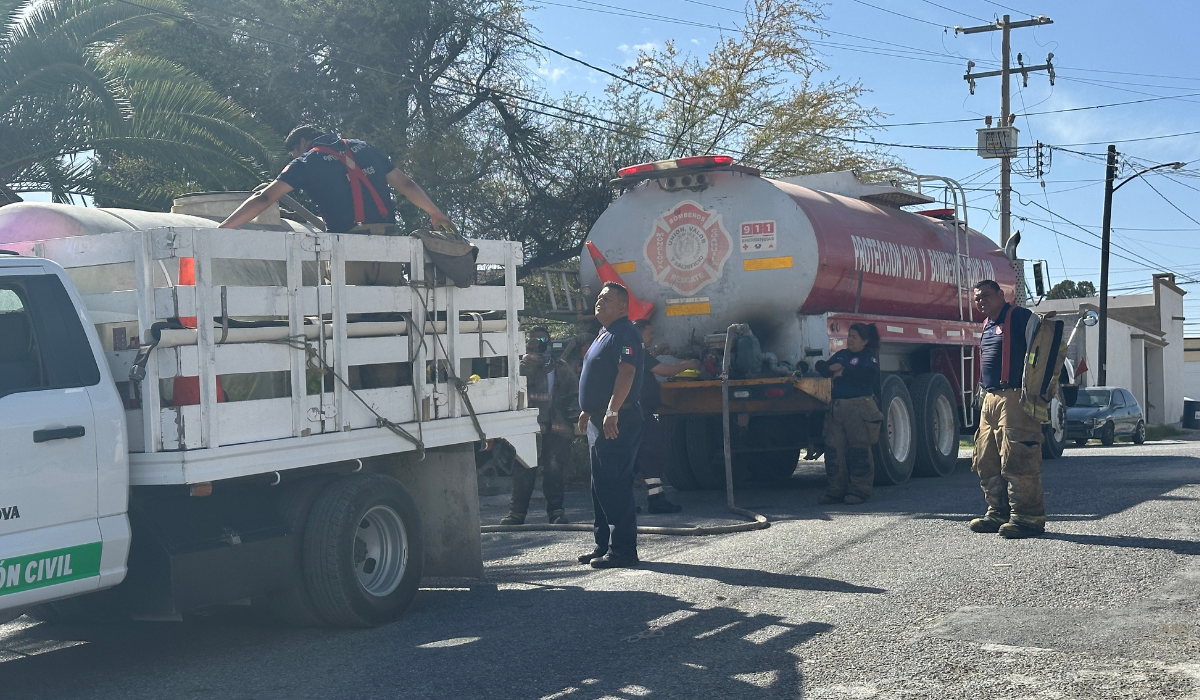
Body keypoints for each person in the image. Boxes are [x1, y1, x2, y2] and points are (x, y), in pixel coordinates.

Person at [219, 125, 453, 234]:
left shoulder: (307, 161)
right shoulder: (365, 148)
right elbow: (406, 184)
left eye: (296, 153)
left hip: (348, 243)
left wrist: (223, 228)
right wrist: (435, 213)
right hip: (388, 236)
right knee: (387, 309)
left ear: (302, 143)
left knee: (349, 316)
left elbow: (266, 196)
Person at [970, 280, 1046, 539]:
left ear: (1002, 295)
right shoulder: (987, 325)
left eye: (987, 296)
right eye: (977, 298)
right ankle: (997, 512)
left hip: (1015, 397)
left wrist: (1037, 392)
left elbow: (1043, 352)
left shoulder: (1021, 316)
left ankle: (1027, 518)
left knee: (1018, 458)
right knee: (986, 459)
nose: (981, 301)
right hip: (990, 399)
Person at [576, 282, 644, 569]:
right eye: (599, 297)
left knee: (615, 484)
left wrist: (612, 410)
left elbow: (626, 372)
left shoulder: (625, 332)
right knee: (600, 485)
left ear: (623, 307)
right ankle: (603, 544)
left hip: (618, 420)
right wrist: (588, 410)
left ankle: (624, 551)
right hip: (599, 419)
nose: (600, 301)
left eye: (608, 298)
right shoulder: (604, 333)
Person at [501, 326, 579, 525]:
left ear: (550, 343)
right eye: (534, 340)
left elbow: (574, 394)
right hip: (530, 428)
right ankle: (516, 514)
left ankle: (556, 513)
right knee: (524, 469)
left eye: (542, 341)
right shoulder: (523, 365)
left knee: (554, 470)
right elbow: (517, 383)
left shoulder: (561, 367)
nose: (538, 344)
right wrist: (531, 360)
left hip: (557, 429)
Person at [633, 319, 698, 513]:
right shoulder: (639, 352)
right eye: (649, 334)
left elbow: (648, 361)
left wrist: (658, 350)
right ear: (639, 334)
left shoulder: (632, 352)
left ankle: (623, 502)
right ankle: (656, 501)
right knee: (653, 452)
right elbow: (663, 370)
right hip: (640, 415)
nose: (652, 337)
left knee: (635, 456)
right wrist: (688, 364)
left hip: (635, 414)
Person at [817, 323, 883, 505]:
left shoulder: (868, 358)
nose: (850, 340)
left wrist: (844, 371)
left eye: (854, 337)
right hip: (837, 409)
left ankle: (859, 491)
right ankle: (835, 491)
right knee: (833, 451)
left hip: (859, 408)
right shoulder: (842, 355)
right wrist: (830, 368)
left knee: (859, 450)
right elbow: (823, 367)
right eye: (849, 336)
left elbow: (868, 376)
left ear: (865, 340)